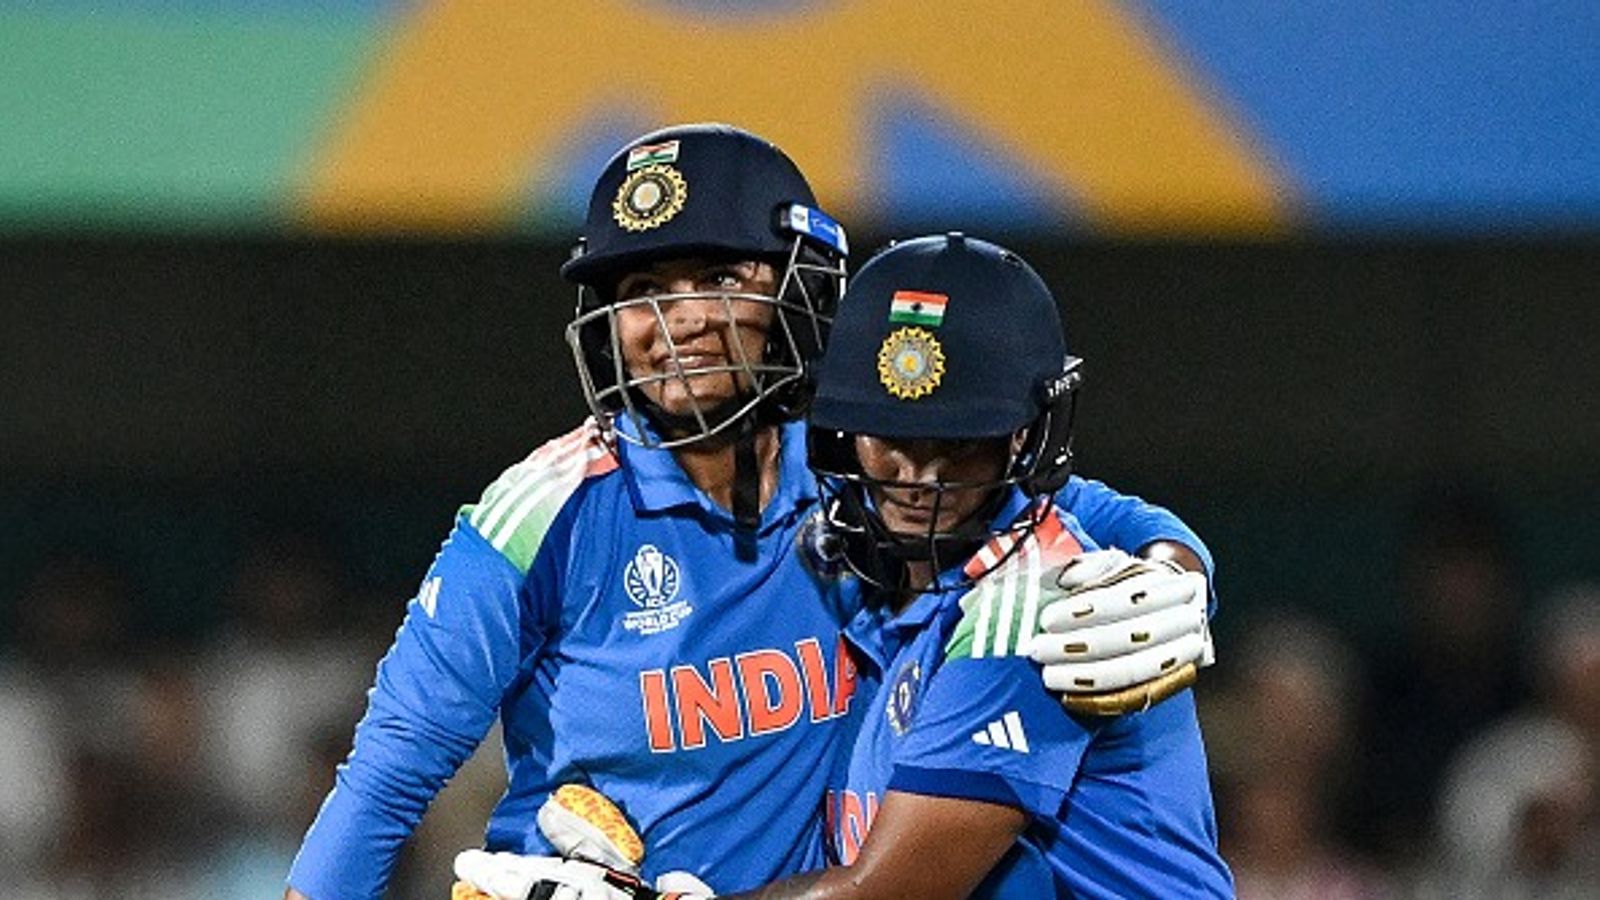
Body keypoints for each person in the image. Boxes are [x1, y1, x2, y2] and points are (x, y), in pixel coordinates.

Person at [286, 125, 1214, 899]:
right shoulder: (543, 513)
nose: (680, 320)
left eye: (719, 279)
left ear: (797, 291)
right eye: (642, 291)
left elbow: (1066, 514)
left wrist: (1178, 574)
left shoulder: (872, 459)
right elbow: (382, 783)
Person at [457, 234, 1227, 899]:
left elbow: (887, 892)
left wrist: (1175, 573)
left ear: (1025, 439)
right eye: (891, 438)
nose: (919, 480)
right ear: (841, 436)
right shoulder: (871, 579)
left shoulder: (1038, 609)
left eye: (957, 444)